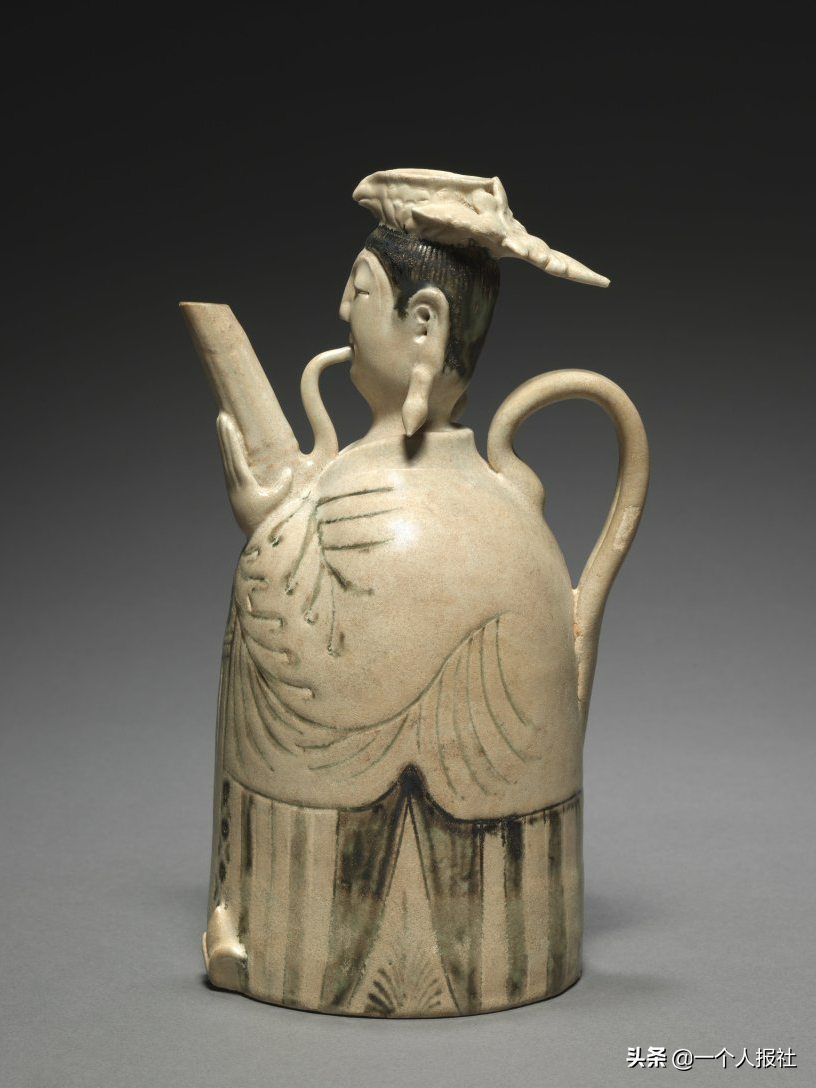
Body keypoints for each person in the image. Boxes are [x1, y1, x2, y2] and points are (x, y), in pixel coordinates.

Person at [201, 170, 607, 1015]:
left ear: (424, 322)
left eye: (358, 291)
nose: (340, 310)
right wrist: (278, 523)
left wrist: (270, 531)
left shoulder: (370, 507)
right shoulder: (502, 511)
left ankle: (304, 953)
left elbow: (325, 675)